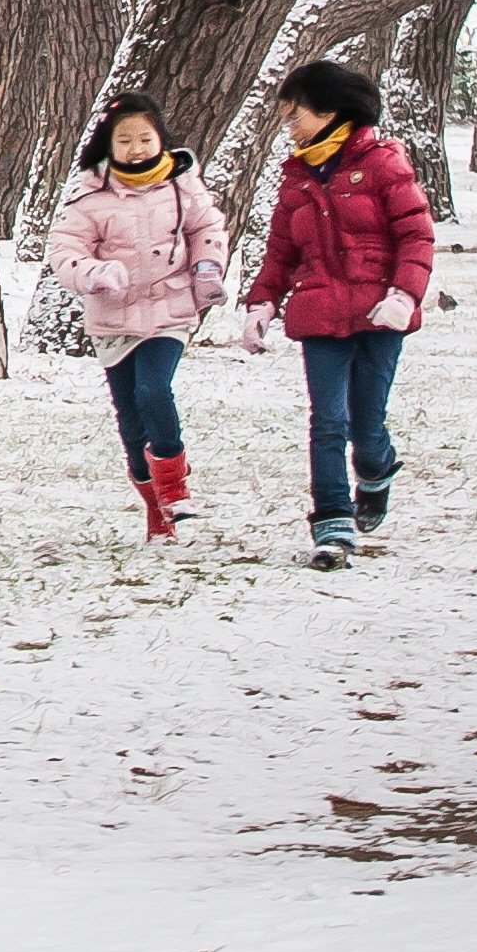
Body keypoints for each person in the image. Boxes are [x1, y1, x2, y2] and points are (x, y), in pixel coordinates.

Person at [238, 58, 433, 569]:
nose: (289, 125)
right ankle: (332, 526)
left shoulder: (385, 162)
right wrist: (261, 304)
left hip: (380, 315)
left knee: (366, 426)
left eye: (294, 113)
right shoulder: (296, 178)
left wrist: (404, 295)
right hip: (320, 312)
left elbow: (416, 234)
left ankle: (376, 471)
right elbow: (280, 252)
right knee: (328, 420)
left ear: (327, 111)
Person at [42, 90, 229, 542]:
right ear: (108, 146)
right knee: (129, 421)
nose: (136, 149)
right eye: (124, 140)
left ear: (160, 139)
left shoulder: (183, 184)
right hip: (114, 318)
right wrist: (93, 273)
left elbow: (208, 228)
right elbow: (65, 250)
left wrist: (206, 267)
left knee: (154, 389)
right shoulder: (90, 194)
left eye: (144, 138)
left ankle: (175, 487)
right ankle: (156, 514)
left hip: (170, 309)